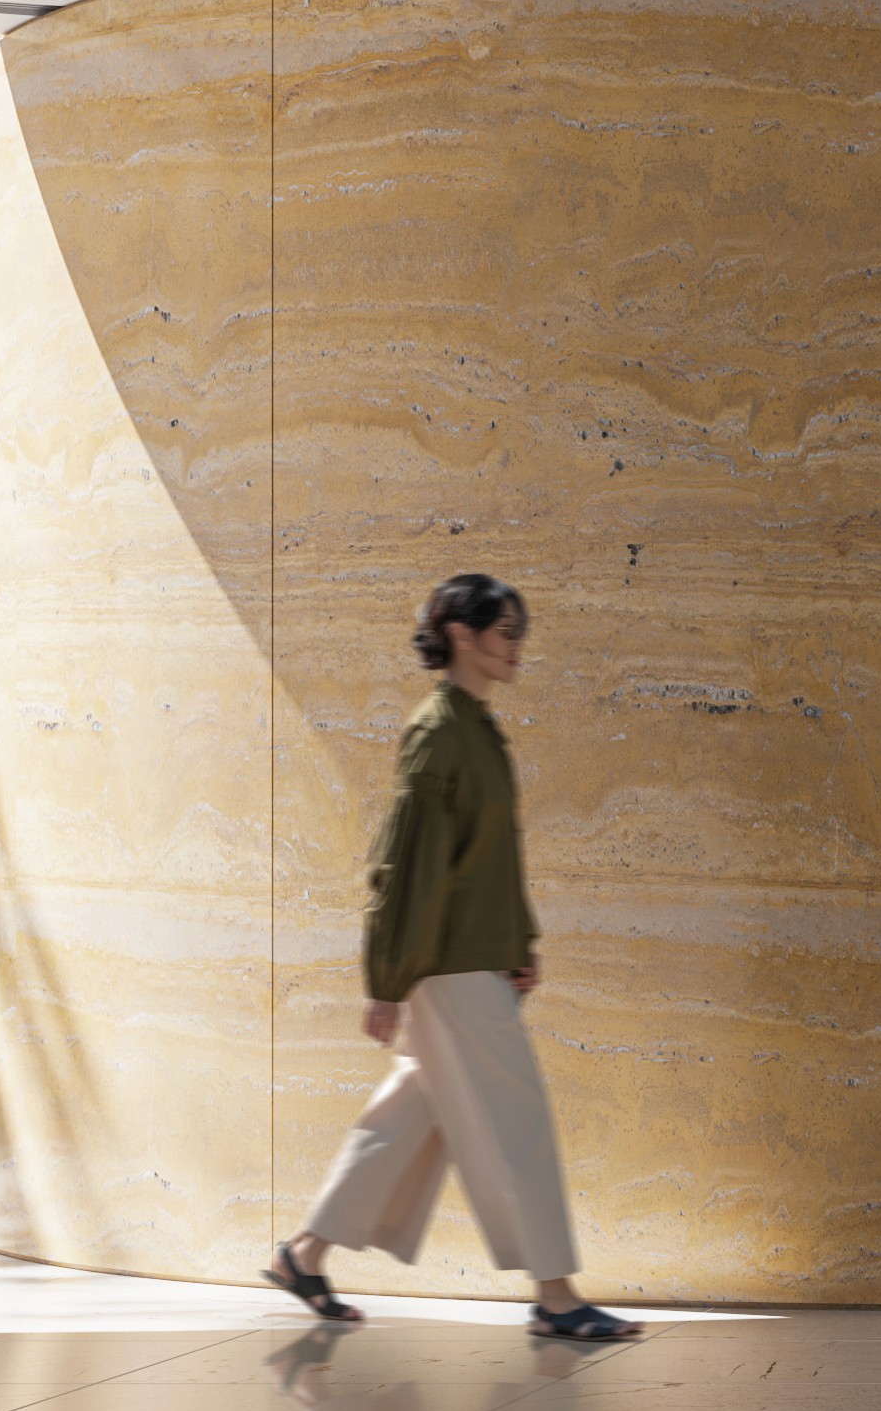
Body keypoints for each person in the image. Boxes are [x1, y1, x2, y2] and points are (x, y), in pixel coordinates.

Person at [263, 573, 638, 1340]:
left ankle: (304, 1254)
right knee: (518, 1121)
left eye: (520, 632)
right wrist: (387, 982)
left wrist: (519, 942)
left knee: (407, 1116)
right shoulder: (438, 734)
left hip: (471, 959)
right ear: (462, 635)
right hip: (448, 969)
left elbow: (491, 856)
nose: (518, 646)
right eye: (506, 631)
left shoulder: (478, 729)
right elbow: (408, 866)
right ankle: (557, 1296)